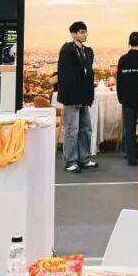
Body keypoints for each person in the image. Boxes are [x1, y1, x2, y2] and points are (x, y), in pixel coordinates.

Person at [51, 21, 97, 174]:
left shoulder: (88, 51)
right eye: (81, 32)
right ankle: (71, 161)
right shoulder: (67, 51)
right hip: (72, 98)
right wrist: (73, 95)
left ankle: (84, 158)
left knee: (86, 128)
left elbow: (88, 73)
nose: (85, 34)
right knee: (72, 129)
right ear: (73, 34)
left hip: (84, 97)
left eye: (85, 32)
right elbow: (65, 76)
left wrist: (89, 95)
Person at [116, 32, 138, 166]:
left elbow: (119, 81)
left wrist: (120, 98)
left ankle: (131, 158)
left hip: (127, 99)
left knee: (129, 128)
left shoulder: (123, 60)